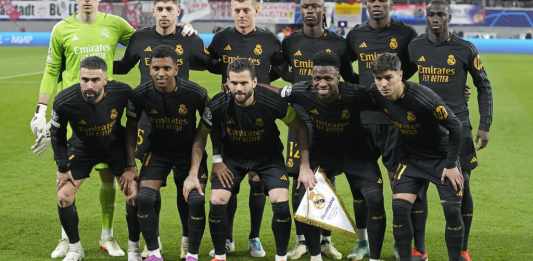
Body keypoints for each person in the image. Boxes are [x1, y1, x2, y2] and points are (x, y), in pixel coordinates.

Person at [29, 0, 135, 257]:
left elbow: (145, 43)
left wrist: (182, 28)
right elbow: (52, 68)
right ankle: (66, 239)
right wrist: (42, 109)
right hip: (72, 112)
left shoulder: (115, 24)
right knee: (63, 176)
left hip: (104, 112)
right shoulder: (61, 29)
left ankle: (107, 236)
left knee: (108, 178)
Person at [113, 0, 211, 258]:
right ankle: (149, 241)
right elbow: (122, 67)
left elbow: (211, 63)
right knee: (142, 190)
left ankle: (187, 241)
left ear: (178, 11)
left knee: (186, 192)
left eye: (170, 9)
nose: (165, 14)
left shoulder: (188, 38)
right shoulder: (139, 37)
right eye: (160, 9)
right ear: (153, 11)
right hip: (147, 121)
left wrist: (198, 37)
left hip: (182, 121)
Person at [274, 51, 386, 261]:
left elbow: (390, 101)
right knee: (303, 193)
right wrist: (247, 88)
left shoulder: (356, 94)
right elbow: (273, 93)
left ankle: (374, 256)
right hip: (322, 154)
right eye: (317, 78)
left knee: (374, 198)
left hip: (356, 153)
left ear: (339, 78)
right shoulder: (301, 91)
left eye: (328, 78)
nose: (321, 83)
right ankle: (315, 255)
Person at [199, 58, 314, 261]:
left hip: (268, 158)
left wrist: (304, 165)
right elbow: (202, 135)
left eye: (244, 83)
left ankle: (280, 257)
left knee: (280, 202)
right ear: (227, 82)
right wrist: (217, 160)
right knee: (218, 199)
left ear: (254, 82)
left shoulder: (272, 101)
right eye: (234, 83)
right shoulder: (218, 103)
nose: (238, 88)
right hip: (232, 159)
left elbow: (298, 126)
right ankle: (219, 255)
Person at [408, 1, 493, 260]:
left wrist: (485, 125)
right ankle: (419, 249)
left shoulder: (465, 48)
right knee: (418, 188)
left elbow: (484, 85)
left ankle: (463, 248)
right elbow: (398, 77)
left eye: (441, 15)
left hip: (459, 129)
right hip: (424, 130)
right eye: (431, 14)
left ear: (449, 17)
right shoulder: (415, 47)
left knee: (463, 186)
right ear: (426, 16)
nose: (436, 19)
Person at [277, 0, 358, 259]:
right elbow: (278, 68)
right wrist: (298, 87)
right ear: (302, 10)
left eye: (315, 6)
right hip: (299, 120)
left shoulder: (338, 43)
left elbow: (349, 76)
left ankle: (325, 239)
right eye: (306, 6)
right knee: (297, 178)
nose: (310, 10)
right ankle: (302, 240)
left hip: (328, 120)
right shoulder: (290, 42)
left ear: (324, 10)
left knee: (327, 177)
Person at [206, 0, 285, 256]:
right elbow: (209, 63)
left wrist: (260, 87)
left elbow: (280, 69)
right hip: (230, 116)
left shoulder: (270, 40)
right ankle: (227, 238)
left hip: (260, 114)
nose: (241, 15)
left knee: (258, 180)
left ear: (256, 10)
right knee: (230, 181)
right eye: (237, 10)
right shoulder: (221, 39)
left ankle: (254, 237)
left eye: (246, 10)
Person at [370, 53, 464, 261]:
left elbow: (455, 126)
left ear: (400, 75)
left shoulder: (423, 98)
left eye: (388, 78)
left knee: (451, 211)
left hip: (441, 159)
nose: (383, 84)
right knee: (400, 209)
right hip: (411, 160)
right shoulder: (375, 94)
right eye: (378, 79)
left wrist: (450, 165)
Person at [345, 0, 418, 259]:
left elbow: (413, 67)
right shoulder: (355, 35)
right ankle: (362, 241)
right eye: (371, 1)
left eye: (382, 1)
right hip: (363, 122)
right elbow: (345, 68)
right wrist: (363, 88)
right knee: (362, 189)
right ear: (365, 4)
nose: (376, 4)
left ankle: (402, 245)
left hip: (395, 124)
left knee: (400, 187)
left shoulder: (406, 34)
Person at [49, 56, 138, 261]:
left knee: (134, 195)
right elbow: (57, 135)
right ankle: (74, 248)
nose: (89, 85)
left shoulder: (123, 92)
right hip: (82, 148)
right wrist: (63, 167)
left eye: (95, 80)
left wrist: (131, 165)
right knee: (64, 196)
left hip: (115, 146)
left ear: (106, 79)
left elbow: (135, 125)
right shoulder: (65, 101)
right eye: (84, 79)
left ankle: (133, 248)